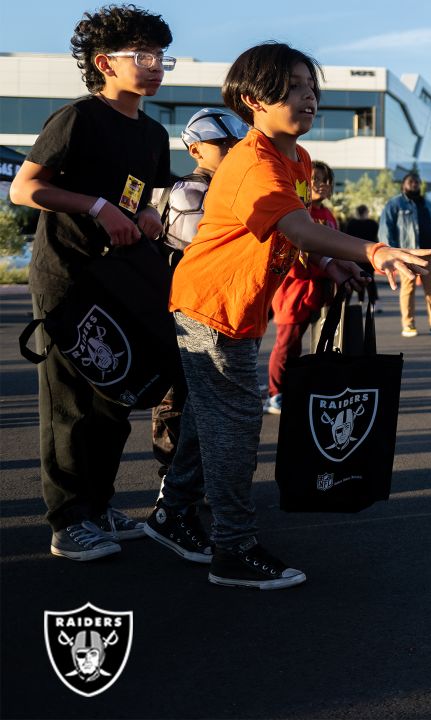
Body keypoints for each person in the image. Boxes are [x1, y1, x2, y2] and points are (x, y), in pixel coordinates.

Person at [152, 42, 431, 588]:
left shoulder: (295, 159)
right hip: (212, 306)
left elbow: (294, 234)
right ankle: (232, 548)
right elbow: (297, 227)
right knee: (234, 424)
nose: (310, 98)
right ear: (254, 99)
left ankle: (172, 512)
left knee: (214, 417)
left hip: (234, 305)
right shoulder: (253, 161)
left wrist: (328, 263)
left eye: (311, 87)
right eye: (296, 87)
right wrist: (371, 251)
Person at [9, 5, 174, 561]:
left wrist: (147, 215)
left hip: (119, 281)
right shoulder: (77, 118)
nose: (156, 67)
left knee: (114, 398)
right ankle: (67, 522)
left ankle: (98, 505)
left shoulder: (152, 133)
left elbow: (143, 197)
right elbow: (25, 189)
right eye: (144, 56)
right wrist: (98, 206)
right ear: (105, 62)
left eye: (160, 57)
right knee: (70, 404)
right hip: (69, 278)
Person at [152, 107, 249, 482]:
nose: (231, 149)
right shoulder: (192, 191)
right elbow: (205, 257)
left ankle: (194, 482)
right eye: (221, 144)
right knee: (178, 398)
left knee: (204, 401)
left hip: (218, 313)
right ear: (195, 150)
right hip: (185, 312)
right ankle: (172, 483)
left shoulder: (228, 190)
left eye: (235, 143)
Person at [264, 160, 338, 414]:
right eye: (316, 179)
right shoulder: (297, 212)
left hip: (319, 291)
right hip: (294, 290)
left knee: (312, 345)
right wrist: (326, 268)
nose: (322, 185)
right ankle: (275, 394)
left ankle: (294, 388)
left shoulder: (327, 214)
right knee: (286, 344)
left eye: (327, 180)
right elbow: (291, 257)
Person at [380, 170, 431, 337]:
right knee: (408, 288)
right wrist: (392, 252)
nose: (414, 184)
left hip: (430, 254)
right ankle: (408, 324)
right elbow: (385, 229)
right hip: (407, 254)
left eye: (417, 182)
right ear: (403, 185)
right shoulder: (394, 204)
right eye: (410, 182)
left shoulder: (429, 205)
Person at [343, 204, 381, 311]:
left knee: (354, 279)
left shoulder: (351, 224)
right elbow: (376, 239)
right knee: (370, 280)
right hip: (369, 256)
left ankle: (347, 304)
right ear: (366, 212)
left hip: (354, 255)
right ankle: (373, 303)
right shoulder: (372, 224)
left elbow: (346, 239)